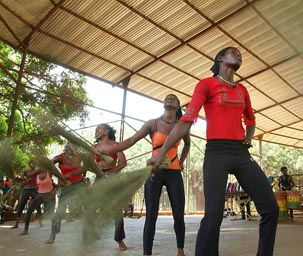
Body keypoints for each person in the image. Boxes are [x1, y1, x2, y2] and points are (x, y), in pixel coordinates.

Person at [147, 47, 279, 256]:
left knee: (271, 208)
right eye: (233, 52)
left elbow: (251, 121)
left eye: (240, 54)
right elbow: (186, 121)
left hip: (241, 153)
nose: (239, 55)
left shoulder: (242, 89)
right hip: (216, 152)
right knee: (214, 214)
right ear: (220, 58)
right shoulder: (206, 84)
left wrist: (249, 137)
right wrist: (161, 154)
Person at [100, 94, 190, 256]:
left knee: (178, 214)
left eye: (173, 98)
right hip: (154, 172)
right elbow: (132, 140)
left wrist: (181, 161)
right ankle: (147, 253)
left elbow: (187, 145)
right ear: (163, 103)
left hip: (174, 173)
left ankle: (180, 251)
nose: (169, 98)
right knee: (151, 216)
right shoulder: (153, 124)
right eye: (167, 97)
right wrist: (112, 149)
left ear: (178, 106)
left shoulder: (182, 126)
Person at [92, 123, 128, 251]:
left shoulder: (115, 145)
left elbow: (123, 162)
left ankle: (119, 239)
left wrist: (111, 172)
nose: (96, 131)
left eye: (99, 129)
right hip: (99, 178)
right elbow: (88, 163)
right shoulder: (94, 147)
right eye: (95, 130)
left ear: (106, 131)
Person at [46, 143, 86, 244]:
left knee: (87, 207)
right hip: (66, 185)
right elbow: (50, 164)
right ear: (67, 148)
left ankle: (88, 235)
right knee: (59, 211)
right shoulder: (61, 157)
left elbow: (85, 168)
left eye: (75, 145)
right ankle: (53, 234)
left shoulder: (80, 157)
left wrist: (82, 177)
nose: (73, 147)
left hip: (79, 184)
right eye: (71, 145)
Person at [20, 170, 56, 235]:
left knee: (52, 214)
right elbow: (28, 180)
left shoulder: (49, 172)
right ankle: (26, 230)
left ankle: (53, 234)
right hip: (40, 195)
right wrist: (22, 182)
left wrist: (55, 190)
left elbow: (59, 178)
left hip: (49, 196)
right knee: (29, 210)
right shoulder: (37, 174)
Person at [10, 160, 42, 229]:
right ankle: (16, 224)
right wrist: (17, 179)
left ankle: (40, 222)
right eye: (32, 163)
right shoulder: (25, 171)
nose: (33, 164)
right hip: (26, 189)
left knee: (37, 205)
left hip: (34, 189)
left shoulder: (37, 171)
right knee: (21, 205)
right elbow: (21, 179)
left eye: (34, 163)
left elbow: (40, 178)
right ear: (29, 164)